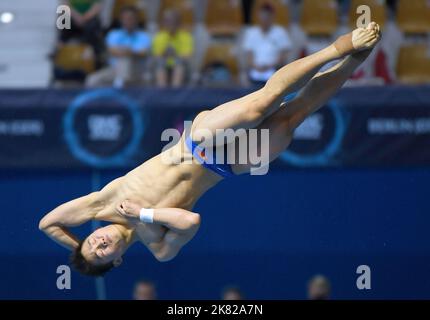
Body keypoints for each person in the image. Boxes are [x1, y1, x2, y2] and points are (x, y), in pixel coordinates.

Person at [39, 23, 381, 277]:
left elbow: (48, 224)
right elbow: (191, 221)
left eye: (93, 240)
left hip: (196, 143)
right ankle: (355, 60)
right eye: (100, 254)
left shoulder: (104, 203)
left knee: (261, 104)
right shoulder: (158, 247)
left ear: (92, 230)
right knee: (292, 118)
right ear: (117, 260)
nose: (99, 243)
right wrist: (142, 215)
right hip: (228, 164)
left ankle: (338, 47)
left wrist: (79, 253)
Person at [85, 6, 151, 87]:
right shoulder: (113, 34)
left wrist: (126, 52)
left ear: (136, 20)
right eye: (125, 18)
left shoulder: (143, 36)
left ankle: (120, 90)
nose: (128, 21)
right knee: (92, 80)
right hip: (114, 70)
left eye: (131, 18)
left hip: (137, 71)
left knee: (125, 61)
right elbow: (112, 51)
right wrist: (129, 51)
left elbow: (143, 53)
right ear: (121, 20)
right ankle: (118, 86)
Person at [242, 3, 292, 86]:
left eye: (267, 16)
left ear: (272, 17)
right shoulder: (251, 32)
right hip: (255, 70)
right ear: (258, 16)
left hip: (273, 71)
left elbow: (283, 55)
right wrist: (256, 66)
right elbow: (249, 56)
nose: (265, 19)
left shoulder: (280, 32)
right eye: (263, 16)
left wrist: (269, 66)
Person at [152, 9, 194, 87]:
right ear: (164, 23)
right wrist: (165, 53)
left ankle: (175, 92)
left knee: (179, 66)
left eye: (174, 21)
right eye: (168, 21)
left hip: (180, 66)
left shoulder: (186, 36)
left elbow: (187, 56)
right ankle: (162, 92)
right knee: (160, 65)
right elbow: (156, 56)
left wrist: (174, 54)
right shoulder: (158, 37)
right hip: (164, 65)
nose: (171, 24)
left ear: (179, 23)